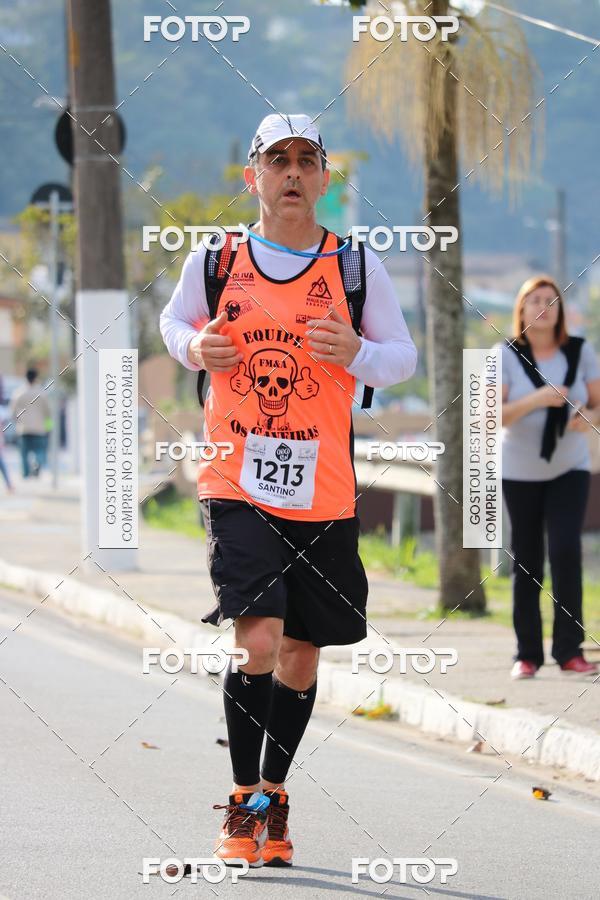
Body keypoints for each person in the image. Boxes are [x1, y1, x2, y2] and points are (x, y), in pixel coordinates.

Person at [160, 113, 417, 868]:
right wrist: (192, 346)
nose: (293, 173)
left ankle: (274, 795)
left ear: (325, 179)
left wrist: (359, 351)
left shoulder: (356, 266)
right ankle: (244, 804)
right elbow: (175, 323)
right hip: (236, 478)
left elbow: (400, 357)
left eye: (307, 160)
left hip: (325, 490)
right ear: (255, 176)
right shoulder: (216, 258)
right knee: (259, 640)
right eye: (279, 161)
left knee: (302, 654)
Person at [496, 275, 600, 680]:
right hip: (519, 471)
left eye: (551, 300)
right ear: (520, 308)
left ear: (560, 311)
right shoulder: (504, 354)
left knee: (565, 550)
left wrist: (587, 418)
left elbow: (597, 404)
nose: (543, 306)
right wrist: (539, 398)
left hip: (568, 468)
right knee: (527, 560)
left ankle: (570, 651)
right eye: (534, 299)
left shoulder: (581, 350)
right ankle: (527, 655)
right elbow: (494, 416)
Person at [10, 368, 51, 478]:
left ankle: (26, 473)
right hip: (39, 428)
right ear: (36, 378)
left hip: (24, 428)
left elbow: (13, 412)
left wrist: (16, 421)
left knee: (24, 453)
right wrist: (49, 427)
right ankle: (37, 463)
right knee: (40, 450)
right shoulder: (42, 393)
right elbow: (48, 412)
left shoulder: (19, 393)